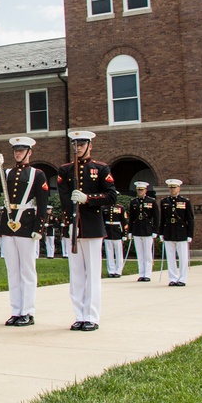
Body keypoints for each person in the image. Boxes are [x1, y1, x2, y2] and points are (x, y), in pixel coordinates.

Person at [58, 130, 118, 332]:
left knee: (92, 274)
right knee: (76, 275)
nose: (78, 148)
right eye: (76, 144)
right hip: (74, 227)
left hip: (92, 227)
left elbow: (111, 197)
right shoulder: (65, 170)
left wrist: (88, 199)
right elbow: (64, 198)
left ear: (90, 146)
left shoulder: (100, 168)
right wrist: (69, 221)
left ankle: (91, 316)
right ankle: (79, 315)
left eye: (82, 144)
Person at [0, 137, 48, 327]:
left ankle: (28, 311)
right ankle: (16, 310)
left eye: (21, 150)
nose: (17, 153)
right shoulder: (6, 172)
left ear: (29, 152)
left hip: (26, 223)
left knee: (27, 271)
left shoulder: (37, 174)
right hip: (9, 223)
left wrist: (39, 227)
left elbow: (42, 203)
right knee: (13, 271)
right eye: (15, 150)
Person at [159, 179, 194, 286]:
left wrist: (190, 234)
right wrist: (161, 233)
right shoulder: (164, 201)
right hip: (169, 231)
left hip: (181, 232)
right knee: (170, 257)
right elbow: (163, 219)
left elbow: (190, 219)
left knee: (183, 257)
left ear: (179, 188)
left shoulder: (185, 201)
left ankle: (182, 279)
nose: (172, 190)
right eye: (170, 188)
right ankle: (173, 278)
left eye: (174, 187)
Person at [127, 181, 159, 282]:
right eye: (138, 190)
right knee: (140, 253)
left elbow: (156, 217)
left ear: (145, 190)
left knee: (147, 253)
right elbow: (131, 218)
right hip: (137, 229)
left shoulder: (152, 201)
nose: (140, 191)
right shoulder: (133, 202)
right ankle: (141, 273)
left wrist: (155, 230)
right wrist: (130, 231)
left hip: (147, 229)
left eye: (141, 190)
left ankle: (148, 274)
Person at [102, 201, 127, 278]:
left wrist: (124, 234)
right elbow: (102, 221)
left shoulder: (120, 208)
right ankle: (111, 270)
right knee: (109, 253)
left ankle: (118, 271)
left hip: (117, 232)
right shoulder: (104, 208)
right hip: (108, 231)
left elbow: (124, 221)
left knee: (118, 252)